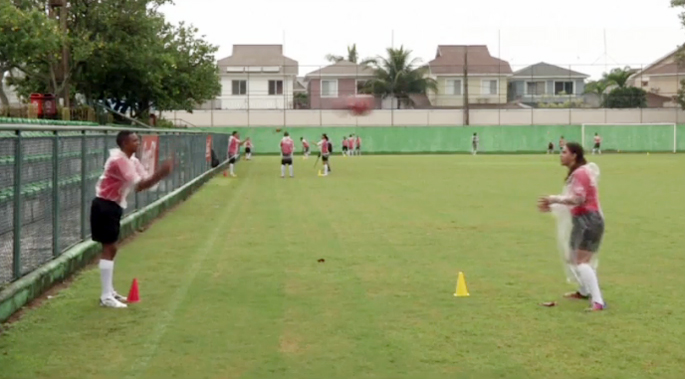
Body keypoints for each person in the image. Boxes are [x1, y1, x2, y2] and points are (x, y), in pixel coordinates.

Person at [92, 131, 173, 308]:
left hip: (114, 205)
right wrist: (161, 173)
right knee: (109, 247)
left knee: (112, 248)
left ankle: (109, 291)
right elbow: (140, 184)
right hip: (104, 205)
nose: (138, 143)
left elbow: (143, 185)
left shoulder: (132, 161)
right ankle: (106, 296)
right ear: (124, 144)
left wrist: (159, 175)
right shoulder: (119, 161)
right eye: (134, 140)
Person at [538, 142, 606, 312]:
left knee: (581, 261)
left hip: (588, 220)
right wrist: (554, 205)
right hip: (584, 219)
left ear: (574, 155)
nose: (561, 155)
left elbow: (579, 199)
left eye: (564, 152)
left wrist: (554, 199)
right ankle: (584, 292)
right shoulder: (580, 173)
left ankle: (597, 301)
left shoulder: (580, 173)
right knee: (573, 258)